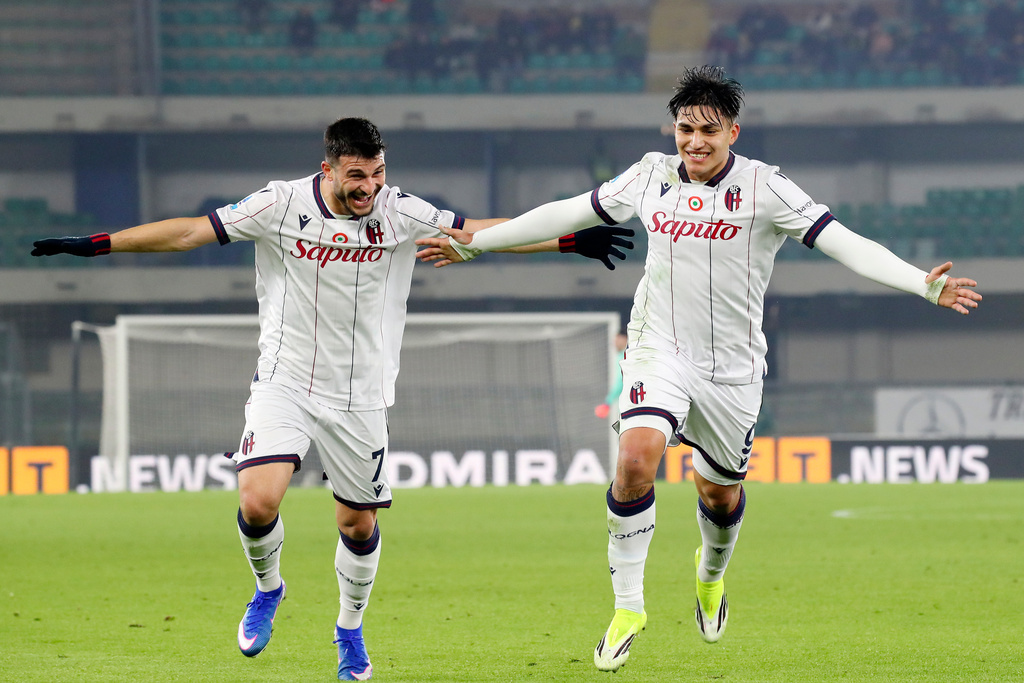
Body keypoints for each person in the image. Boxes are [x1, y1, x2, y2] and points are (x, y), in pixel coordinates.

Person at [414, 66, 982, 673]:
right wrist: (478, 242)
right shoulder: (651, 175)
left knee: (718, 492)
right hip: (660, 349)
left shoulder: (767, 187)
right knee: (636, 459)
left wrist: (921, 285)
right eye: (685, 129)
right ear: (673, 129)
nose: (695, 142)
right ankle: (628, 607)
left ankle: (709, 578)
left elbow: (843, 241)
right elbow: (566, 213)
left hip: (734, 371)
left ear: (733, 132)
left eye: (709, 131)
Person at [29, 117, 633, 680]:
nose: (369, 186)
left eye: (377, 174)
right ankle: (268, 590)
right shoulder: (279, 203)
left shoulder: (400, 212)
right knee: (258, 500)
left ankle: (349, 629)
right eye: (357, 176)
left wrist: (567, 241)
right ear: (329, 170)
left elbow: (472, 232)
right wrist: (97, 243)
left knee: (357, 521)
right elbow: (190, 232)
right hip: (284, 381)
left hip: (361, 395)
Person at [594, 332, 627, 419]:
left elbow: (621, 381)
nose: (614, 342)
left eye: (617, 339)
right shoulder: (622, 355)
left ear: (625, 339)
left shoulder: (625, 356)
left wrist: (608, 402)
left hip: (630, 406)